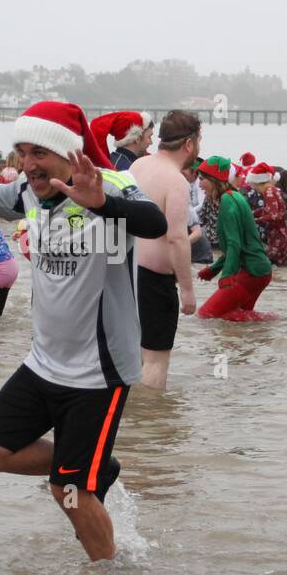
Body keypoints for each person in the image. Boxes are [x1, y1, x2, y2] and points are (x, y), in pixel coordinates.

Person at [0, 102, 166, 561]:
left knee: (67, 489)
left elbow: (155, 224)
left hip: (97, 373)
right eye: (22, 152)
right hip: (43, 363)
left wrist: (101, 203)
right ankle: (92, 464)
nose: (27, 164)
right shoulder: (28, 191)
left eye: (39, 153)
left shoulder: (114, 186)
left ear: (68, 152)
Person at [129, 110, 201, 388]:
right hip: (155, 281)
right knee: (156, 359)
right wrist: (187, 289)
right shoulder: (176, 181)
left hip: (128, 272)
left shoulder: (138, 167)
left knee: (133, 353)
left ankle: (130, 419)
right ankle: (152, 424)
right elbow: (177, 239)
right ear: (189, 144)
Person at [195, 156, 274, 320]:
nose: (199, 184)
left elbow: (234, 243)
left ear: (214, 179)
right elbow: (237, 244)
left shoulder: (227, 200)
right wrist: (214, 269)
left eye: (202, 179)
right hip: (259, 270)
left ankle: (274, 323)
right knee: (236, 319)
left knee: (206, 315)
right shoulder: (234, 196)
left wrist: (227, 275)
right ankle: (268, 331)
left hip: (252, 272)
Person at [245, 163, 287, 267]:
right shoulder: (273, 190)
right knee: (281, 274)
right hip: (285, 240)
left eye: (253, 185)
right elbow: (269, 210)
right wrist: (252, 213)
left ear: (257, 182)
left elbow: (273, 216)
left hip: (278, 241)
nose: (254, 188)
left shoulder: (268, 192)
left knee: (265, 270)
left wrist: (254, 220)